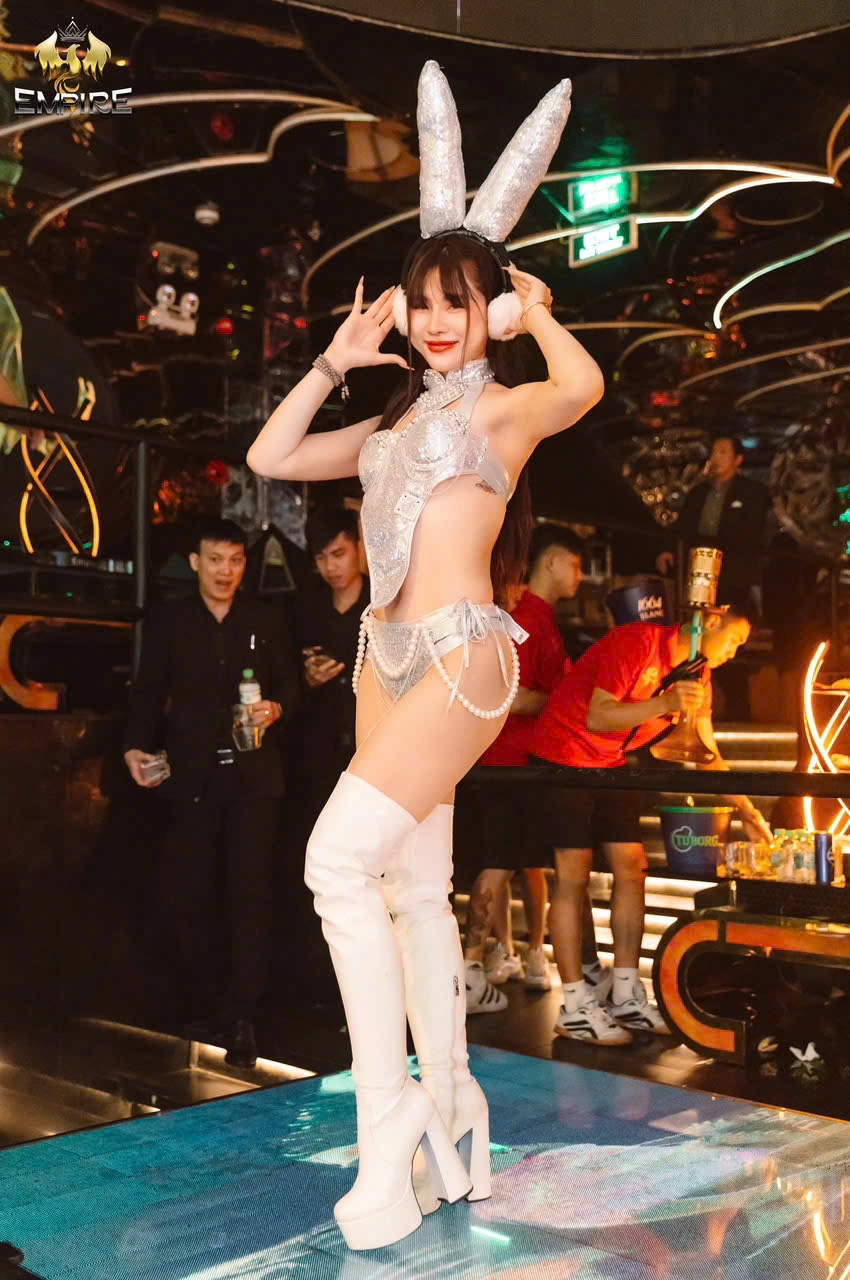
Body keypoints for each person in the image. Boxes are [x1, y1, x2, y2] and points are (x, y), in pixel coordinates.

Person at [247, 61, 602, 1250]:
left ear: (484, 307)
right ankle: (451, 1103)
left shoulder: (501, 409)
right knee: (406, 888)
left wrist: (532, 313)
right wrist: (333, 361)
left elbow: (584, 383)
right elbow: (269, 458)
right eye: (422, 298)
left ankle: (388, 1115)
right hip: (383, 662)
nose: (438, 317)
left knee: (335, 862)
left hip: (459, 660)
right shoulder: (386, 426)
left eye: (460, 299)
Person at [531, 605, 772, 1047]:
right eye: (735, 639)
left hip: (610, 763)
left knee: (632, 866)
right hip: (563, 753)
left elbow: (706, 751)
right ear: (712, 620)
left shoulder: (699, 675)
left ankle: (625, 993)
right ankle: (574, 1006)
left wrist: (747, 810)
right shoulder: (638, 642)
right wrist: (664, 703)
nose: (734, 653)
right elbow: (598, 716)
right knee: (573, 875)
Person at [124, 518, 298, 1069]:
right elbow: (148, 690)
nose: (226, 571)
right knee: (192, 892)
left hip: (254, 776)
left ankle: (244, 1013)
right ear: (196, 563)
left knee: (251, 892)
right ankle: (202, 1004)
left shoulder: (266, 619)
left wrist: (276, 708)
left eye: (236, 560)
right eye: (216, 560)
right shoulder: (171, 620)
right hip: (192, 776)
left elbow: (291, 686)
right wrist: (134, 747)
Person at [462, 523, 585, 1013]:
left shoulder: (538, 618)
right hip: (508, 763)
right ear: (551, 562)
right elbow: (505, 696)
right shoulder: (524, 618)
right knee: (497, 865)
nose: (580, 576)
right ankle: (471, 968)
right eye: (576, 564)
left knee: (516, 862)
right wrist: (564, 700)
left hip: (523, 763)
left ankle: (501, 960)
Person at [296, 505, 370, 820]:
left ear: (359, 547)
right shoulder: (304, 609)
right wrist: (307, 679)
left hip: (369, 747)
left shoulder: (382, 605)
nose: (331, 567)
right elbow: (286, 677)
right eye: (321, 558)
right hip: (316, 749)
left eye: (339, 554)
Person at [656, 435, 770, 615]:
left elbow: (755, 531)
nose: (716, 458)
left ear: (737, 460)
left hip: (733, 569)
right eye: (714, 453)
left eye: (723, 453)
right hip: (699, 565)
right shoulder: (699, 492)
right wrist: (667, 549)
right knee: (697, 615)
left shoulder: (751, 492)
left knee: (729, 620)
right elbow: (683, 525)